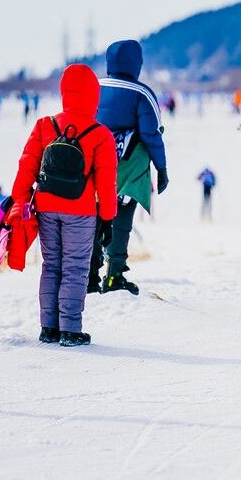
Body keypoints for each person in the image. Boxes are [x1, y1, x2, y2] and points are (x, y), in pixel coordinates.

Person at [8, 64, 117, 346]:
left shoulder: (45, 125)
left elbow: (27, 165)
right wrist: (107, 218)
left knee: (51, 265)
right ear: (94, 95)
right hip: (80, 212)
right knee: (75, 268)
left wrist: (19, 199)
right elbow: (106, 183)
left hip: (45, 207)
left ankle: (49, 328)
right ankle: (70, 330)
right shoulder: (100, 133)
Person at [89, 40, 169, 296]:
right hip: (127, 170)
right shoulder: (141, 93)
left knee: (94, 218)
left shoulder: (95, 87)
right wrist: (162, 167)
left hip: (92, 166)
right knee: (121, 219)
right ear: (137, 63)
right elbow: (151, 134)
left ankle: (89, 275)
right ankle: (114, 276)